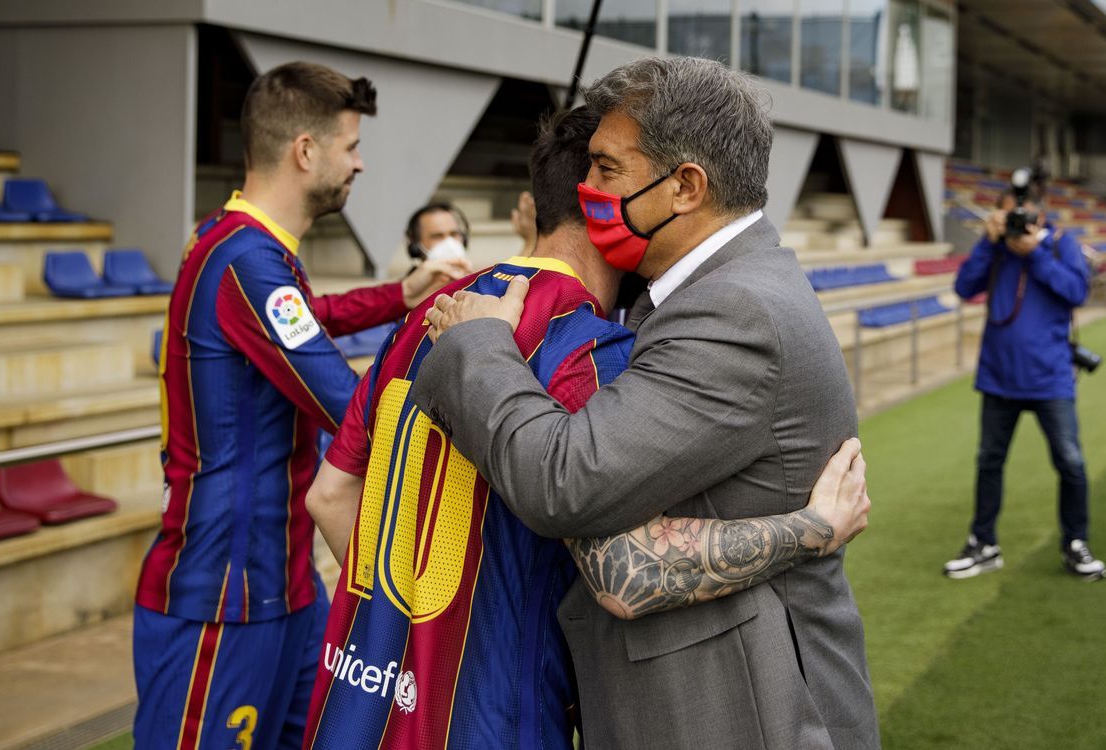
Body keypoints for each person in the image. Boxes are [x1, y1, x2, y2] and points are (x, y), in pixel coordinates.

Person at [301, 106, 871, 749]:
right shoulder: (593, 349)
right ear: (602, 202)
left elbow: (328, 496)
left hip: (357, 698)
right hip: (488, 714)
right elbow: (624, 570)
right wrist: (813, 529)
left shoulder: (435, 316)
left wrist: (409, 626)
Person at [132, 61, 470, 750]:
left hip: (282, 587)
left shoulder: (237, 243)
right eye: (350, 146)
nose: (360, 163)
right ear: (305, 151)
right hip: (224, 597)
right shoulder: (247, 262)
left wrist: (397, 296)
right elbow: (347, 406)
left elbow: (301, 320)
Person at [945, 182, 1106, 581]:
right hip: (999, 377)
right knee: (989, 462)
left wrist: (1035, 255)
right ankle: (984, 543)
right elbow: (964, 287)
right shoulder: (995, 248)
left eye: (1025, 217)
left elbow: (1076, 291)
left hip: (1050, 377)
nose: (1018, 224)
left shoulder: (1059, 245)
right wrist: (988, 242)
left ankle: (1075, 542)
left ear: (1042, 216)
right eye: (1009, 215)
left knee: (1070, 462)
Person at [404, 202, 470, 264]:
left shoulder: (477, 275)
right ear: (415, 246)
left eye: (454, 234)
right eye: (437, 236)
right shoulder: (414, 276)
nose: (449, 243)